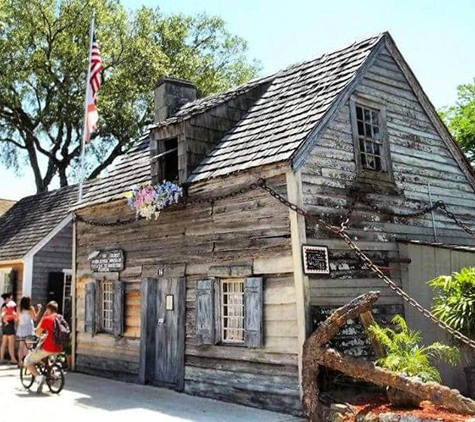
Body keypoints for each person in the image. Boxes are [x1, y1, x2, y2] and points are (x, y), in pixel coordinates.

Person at [24, 301, 62, 392]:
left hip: (48, 347)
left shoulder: (47, 319)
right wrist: (46, 336)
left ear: (48, 309)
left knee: (27, 361)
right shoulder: (60, 318)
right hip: (59, 348)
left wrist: (43, 317)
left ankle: (39, 378)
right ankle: (52, 375)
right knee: (44, 358)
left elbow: (37, 333)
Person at [16, 296, 42, 365]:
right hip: (29, 329)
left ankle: (20, 362)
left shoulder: (19, 308)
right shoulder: (30, 309)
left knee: (21, 347)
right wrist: (39, 309)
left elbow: (16, 318)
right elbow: (35, 318)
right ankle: (27, 363)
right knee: (29, 347)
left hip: (21, 329)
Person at [0, 293, 18, 365]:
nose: (12, 299)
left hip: (5, 326)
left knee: (4, 343)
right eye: (10, 298)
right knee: (11, 344)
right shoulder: (6, 306)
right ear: (7, 298)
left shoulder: (4, 306)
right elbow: (4, 316)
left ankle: (1, 358)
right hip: (9, 325)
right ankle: (13, 359)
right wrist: (14, 315)